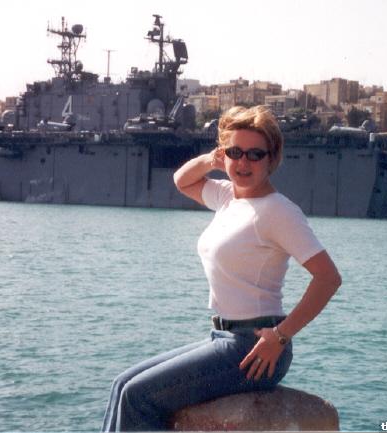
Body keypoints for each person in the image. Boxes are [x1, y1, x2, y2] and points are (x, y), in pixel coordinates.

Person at [101, 105, 341, 431]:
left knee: (137, 396)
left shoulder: (279, 212)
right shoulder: (229, 197)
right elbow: (182, 180)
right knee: (121, 384)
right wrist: (211, 160)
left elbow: (328, 278)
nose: (243, 162)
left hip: (254, 348)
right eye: (235, 152)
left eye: (255, 154)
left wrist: (281, 336)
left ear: (272, 158)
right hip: (222, 338)